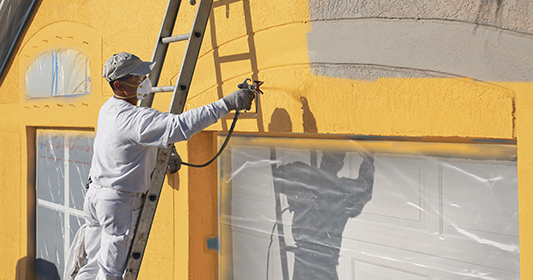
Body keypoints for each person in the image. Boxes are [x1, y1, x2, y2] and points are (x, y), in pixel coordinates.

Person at [68, 52, 254, 280]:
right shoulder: (134, 119)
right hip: (118, 206)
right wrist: (227, 104)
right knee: (109, 274)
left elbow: (125, 146)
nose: (144, 79)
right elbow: (180, 125)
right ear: (120, 85)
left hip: (97, 198)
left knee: (92, 266)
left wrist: (159, 150)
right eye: (138, 77)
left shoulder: (109, 108)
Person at [272, 151, 375, 280]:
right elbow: (363, 191)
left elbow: (362, 192)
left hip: (320, 265)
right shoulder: (313, 187)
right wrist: (368, 160)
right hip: (307, 263)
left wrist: (368, 160)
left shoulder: (337, 196)